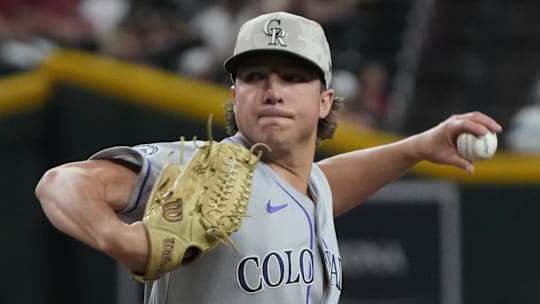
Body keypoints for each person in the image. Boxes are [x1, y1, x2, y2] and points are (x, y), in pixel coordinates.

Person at [35, 11, 502, 304]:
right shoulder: (203, 166)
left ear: (324, 100)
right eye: (256, 76)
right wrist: (121, 240)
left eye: (293, 77)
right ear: (235, 94)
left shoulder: (307, 186)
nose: (273, 91)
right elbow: (61, 182)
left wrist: (418, 146)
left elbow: (320, 185)